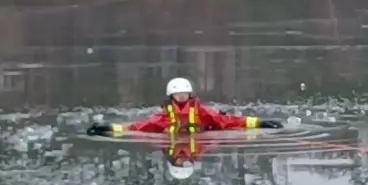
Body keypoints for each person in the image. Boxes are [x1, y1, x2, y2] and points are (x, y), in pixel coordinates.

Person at [86, 77, 283, 136]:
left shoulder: (203, 112)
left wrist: (260, 123)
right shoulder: (162, 118)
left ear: (190, 94)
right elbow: (137, 126)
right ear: (171, 96)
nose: (181, 97)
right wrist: (108, 128)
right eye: (177, 94)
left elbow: (228, 121)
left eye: (184, 94)